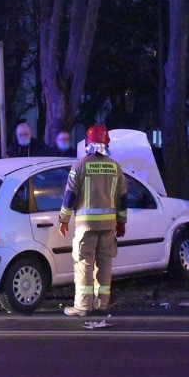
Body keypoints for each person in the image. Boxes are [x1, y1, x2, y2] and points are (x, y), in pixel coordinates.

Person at [58, 124, 127, 317]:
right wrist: (121, 222)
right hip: (108, 226)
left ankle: (82, 306)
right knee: (105, 263)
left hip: (86, 226)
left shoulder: (80, 165)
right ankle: (102, 304)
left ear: (88, 143)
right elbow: (123, 199)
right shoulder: (116, 168)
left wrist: (63, 219)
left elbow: (69, 196)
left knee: (84, 264)